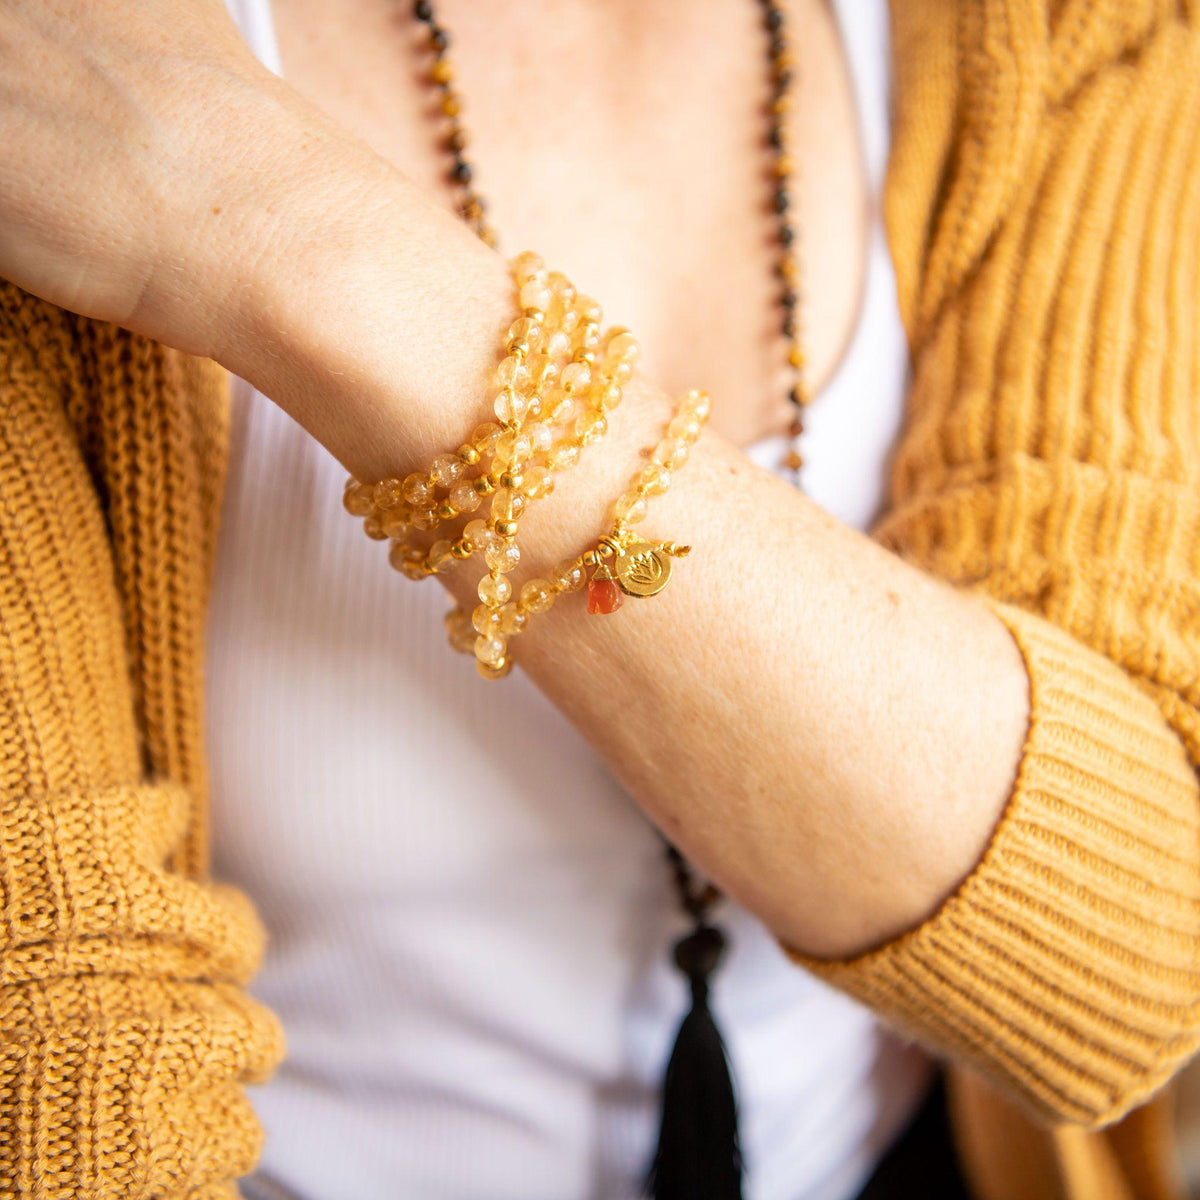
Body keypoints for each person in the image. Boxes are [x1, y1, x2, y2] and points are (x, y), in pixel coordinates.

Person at [0, 2, 1197, 1199]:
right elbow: (65, 1070)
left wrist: (294, 231)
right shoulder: (55, 79)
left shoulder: (1070, 27)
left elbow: (1136, 946)